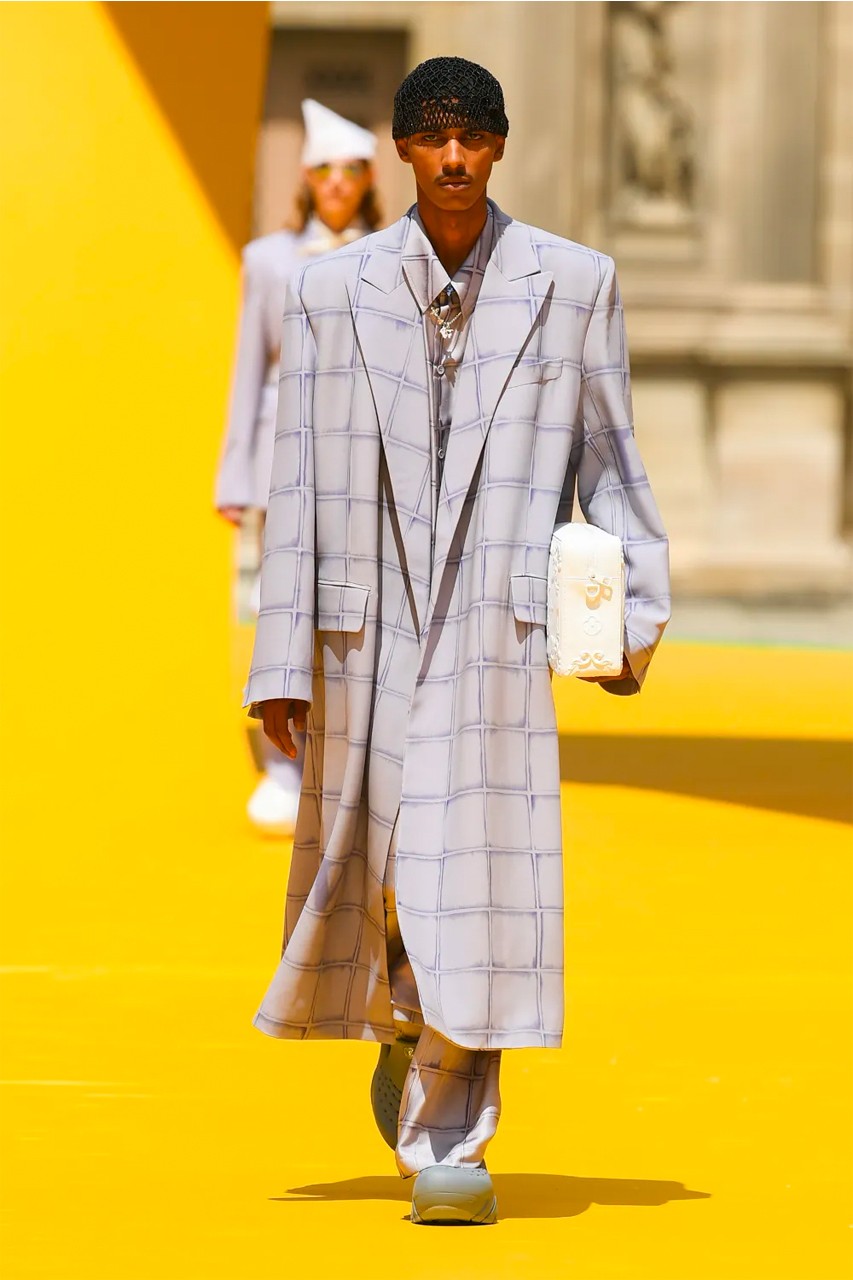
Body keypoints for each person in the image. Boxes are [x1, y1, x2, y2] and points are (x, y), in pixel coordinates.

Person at [244, 57, 670, 1224]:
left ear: (498, 147)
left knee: (473, 879)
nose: (450, 156)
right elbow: (300, 482)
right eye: (430, 136)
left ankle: (453, 1129)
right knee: (382, 872)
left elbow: (612, 462)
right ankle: (401, 1017)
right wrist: (280, 659)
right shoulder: (330, 296)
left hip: (492, 627)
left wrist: (629, 613)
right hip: (360, 623)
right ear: (399, 148)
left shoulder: (572, 285)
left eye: (471, 136)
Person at [216, 99, 381, 834]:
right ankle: (282, 765)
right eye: (323, 170)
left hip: (367, 460)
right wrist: (234, 477)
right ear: (306, 178)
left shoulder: (396, 253)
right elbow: (247, 371)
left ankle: (349, 765)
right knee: (280, 607)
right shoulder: (266, 260)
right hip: (284, 457)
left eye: (350, 171)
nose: (337, 184)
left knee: (355, 611)